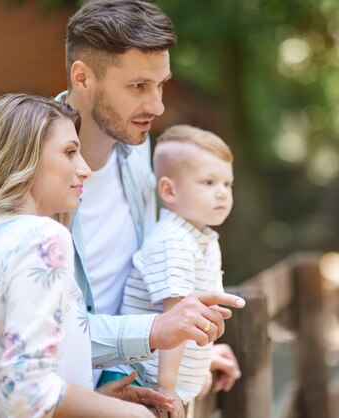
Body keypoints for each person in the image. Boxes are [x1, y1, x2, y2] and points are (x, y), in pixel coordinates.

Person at [0, 93, 171, 417]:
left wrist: (95, 399)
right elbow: (27, 392)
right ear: (23, 158)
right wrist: (134, 415)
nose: (84, 169)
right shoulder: (42, 239)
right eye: (70, 153)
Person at [59, 0, 242, 390]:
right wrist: (156, 332)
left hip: (128, 380)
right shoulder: (28, 167)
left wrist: (188, 352)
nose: (157, 105)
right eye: (138, 86)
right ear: (83, 78)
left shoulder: (140, 148)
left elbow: (143, 280)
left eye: (160, 84)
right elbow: (35, 332)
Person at [115, 125, 234, 417]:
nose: (222, 193)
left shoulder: (201, 237)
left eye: (227, 184)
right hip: (149, 385)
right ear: (169, 190)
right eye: (208, 182)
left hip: (174, 382)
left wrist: (202, 364)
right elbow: (175, 316)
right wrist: (168, 389)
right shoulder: (174, 241)